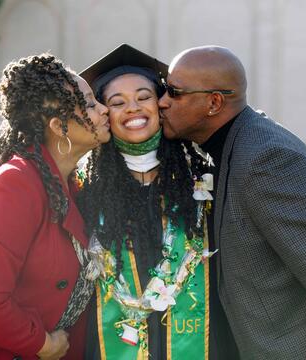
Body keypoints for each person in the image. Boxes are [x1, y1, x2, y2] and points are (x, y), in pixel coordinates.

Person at [158, 45, 306, 359]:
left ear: (214, 103)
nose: (162, 101)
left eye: (174, 92)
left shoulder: (266, 158)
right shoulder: (231, 145)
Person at [0, 53, 110, 359]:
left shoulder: (70, 185)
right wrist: (41, 343)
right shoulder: (15, 183)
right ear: (59, 126)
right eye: (91, 104)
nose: (104, 110)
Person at [78, 44, 214, 360]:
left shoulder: (202, 183)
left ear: (161, 104)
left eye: (143, 97)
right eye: (117, 102)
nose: (133, 108)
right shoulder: (85, 190)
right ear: (103, 113)